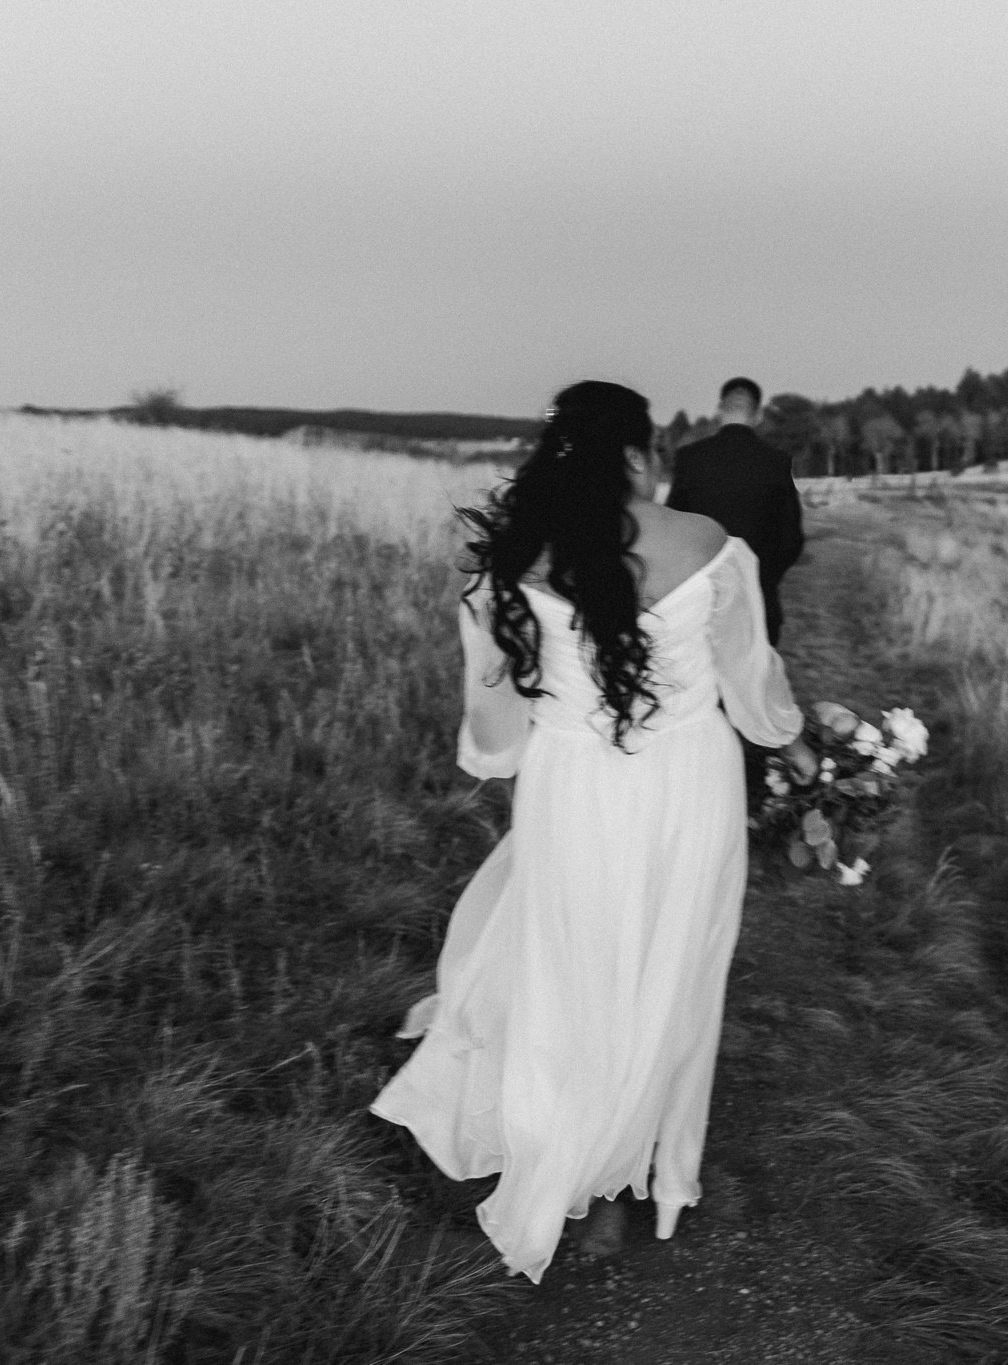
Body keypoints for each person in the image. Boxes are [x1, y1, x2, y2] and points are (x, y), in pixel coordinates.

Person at [371, 380, 819, 1282]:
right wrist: (804, 752)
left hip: (574, 787)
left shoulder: (516, 565)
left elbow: (494, 741)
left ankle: (571, 1154)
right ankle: (629, 1174)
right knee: (670, 967)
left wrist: (552, 732)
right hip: (690, 786)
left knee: (571, 965)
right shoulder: (708, 546)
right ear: (636, 456)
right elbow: (753, 689)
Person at [665, 377, 805, 644]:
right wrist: (762, 577)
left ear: (719, 410)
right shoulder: (776, 462)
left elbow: (674, 527)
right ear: (759, 414)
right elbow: (791, 540)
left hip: (702, 601)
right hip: (758, 601)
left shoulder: (689, 459)